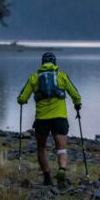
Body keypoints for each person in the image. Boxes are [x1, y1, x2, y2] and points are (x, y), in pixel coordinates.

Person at [17, 52, 82, 187]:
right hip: (60, 118)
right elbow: (75, 94)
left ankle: (47, 178)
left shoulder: (34, 77)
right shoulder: (61, 76)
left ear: (42, 63)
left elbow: (22, 98)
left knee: (41, 148)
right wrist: (77, 105)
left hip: (42, 120)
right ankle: (62, 169)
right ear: (55, 63)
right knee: (61, 148)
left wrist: (21, 101)